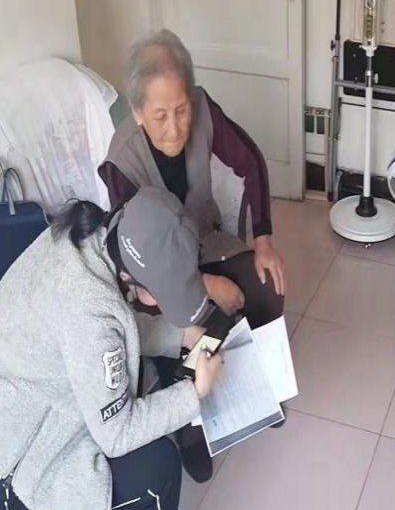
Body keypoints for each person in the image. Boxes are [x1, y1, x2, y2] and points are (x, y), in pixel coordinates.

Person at [98, 29, 287, 482]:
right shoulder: (121, 162)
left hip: (205, 239)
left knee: (264, 288)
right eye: (160, 115)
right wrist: (205, 285)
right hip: (155, 277)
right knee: (193, 324)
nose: (175, 127)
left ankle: (254, 388)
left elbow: (251, 162)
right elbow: (141, 264)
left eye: (181, 110)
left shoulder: (203, 109)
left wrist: (263, 240)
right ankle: (189, 423)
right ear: (138, 112)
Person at [0, 187, 223, 510]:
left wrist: (179, 336)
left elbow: (113, 326)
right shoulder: (91, 310)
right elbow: (117, 434)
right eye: (164, 294)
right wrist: (195, 392)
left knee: (140, 385)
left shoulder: (81, 237)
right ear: (131, 276)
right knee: (159, 469)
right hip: (12, 485)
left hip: (24, 413)